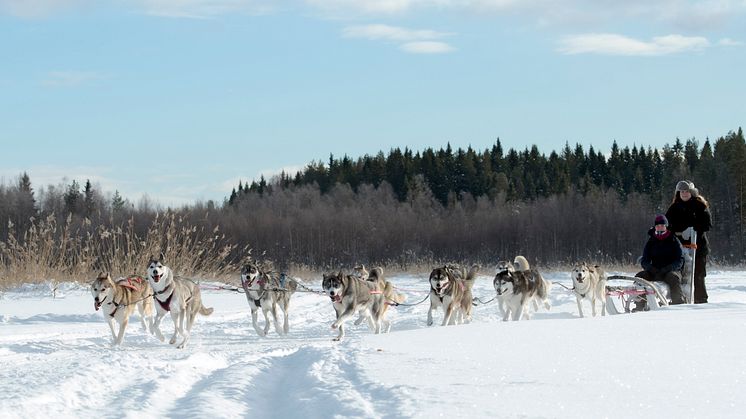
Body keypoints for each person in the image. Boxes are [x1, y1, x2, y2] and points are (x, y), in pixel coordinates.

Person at [665, 180, 712, 304]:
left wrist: (693, 229)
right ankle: (679, 299)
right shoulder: (674, 207)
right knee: (679, 275)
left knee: (698, 274)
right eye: (682, 192)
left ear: (691, 192)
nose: (684, 194)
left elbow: (707, 224)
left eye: (686, 191)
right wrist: (677, 232)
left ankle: (700, 300)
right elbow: (667, 224)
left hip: (698, 247)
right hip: (679, 248)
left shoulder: (700, 206)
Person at [636, 214, 685, 305]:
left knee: (673, 278)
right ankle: (640, 304)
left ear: (666, 226)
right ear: (655, 227)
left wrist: (668, 268)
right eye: (658, 226)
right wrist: (650, 268)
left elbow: (680, 260)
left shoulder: (674, 240)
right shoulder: (651, 241)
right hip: (654, 271)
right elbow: (644, 260)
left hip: (670, 271)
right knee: (640, 277)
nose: (660, 227)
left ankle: (678, 304)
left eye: (662, 225)